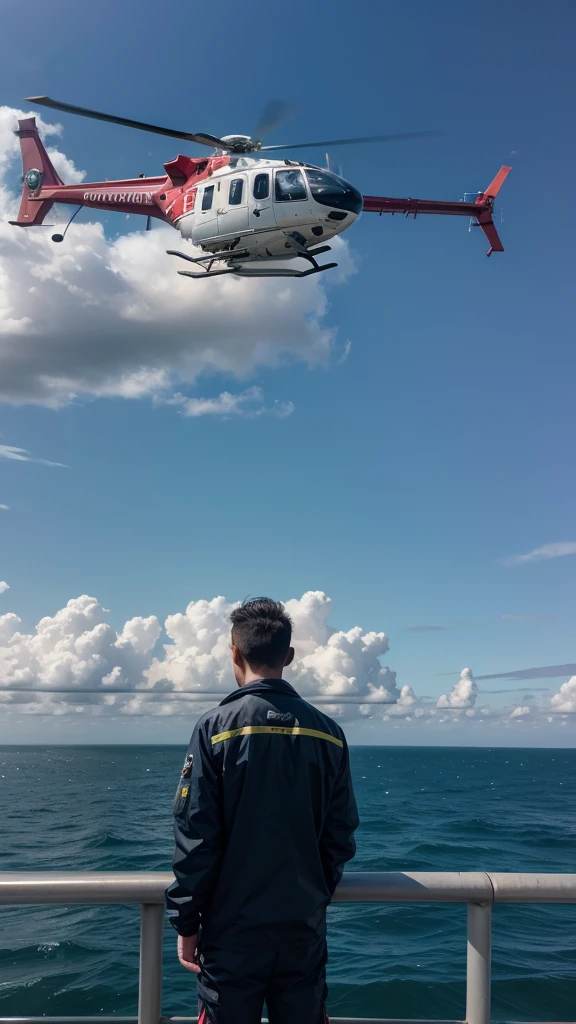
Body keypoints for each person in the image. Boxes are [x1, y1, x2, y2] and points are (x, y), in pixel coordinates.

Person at [166, 597, 359, 1024]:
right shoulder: (329, 733)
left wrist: (186, 924)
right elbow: (341, 834)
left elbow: (196, 836)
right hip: (302, 933)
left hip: (231, 937)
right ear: (288, 656)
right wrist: (311, 897)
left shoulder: (214, 729)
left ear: (234, 652)